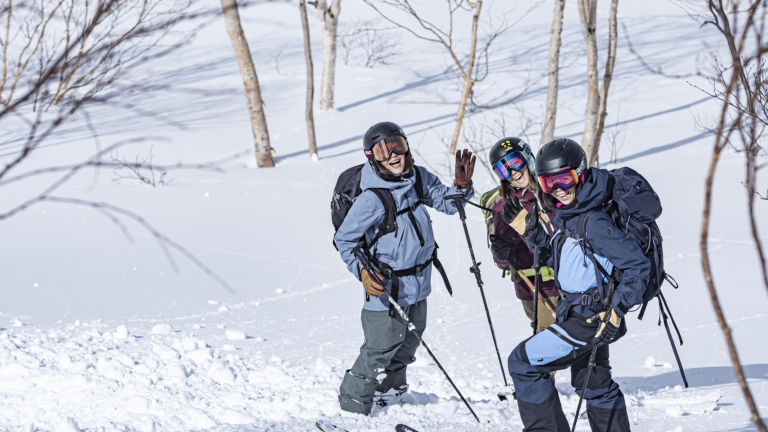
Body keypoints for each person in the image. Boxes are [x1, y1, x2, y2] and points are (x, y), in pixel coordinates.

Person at [506, 138, 651, 432]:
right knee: (594, 384)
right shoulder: (570, 214)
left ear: (581, 172)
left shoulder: (594, 220)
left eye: (564, 178)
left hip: (591, 318)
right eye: (549, 183)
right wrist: (530, 232)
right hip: (578, 313)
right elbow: (561, 258)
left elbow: (638, 266)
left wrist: (617, 310)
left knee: (523, 364)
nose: (558, 188)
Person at [334, 121, 476, 416]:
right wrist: (361, 272)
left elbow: (447, 204)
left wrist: (461, 189)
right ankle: (352, 406)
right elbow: (345, 240)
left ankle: (391, 392)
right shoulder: (372, 198)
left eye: (396, 145)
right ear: (371, 156)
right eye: (382, 150)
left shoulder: (417, 177)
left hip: (419, 282)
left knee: (409, 341)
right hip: (385, 286)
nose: (392, 155)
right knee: (379, 347)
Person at [484, 137, 559, 335]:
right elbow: (503, 261)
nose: (512, 173)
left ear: (528, 158)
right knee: (551, 348)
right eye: (503, 169)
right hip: (540, 289)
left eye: (515, 162)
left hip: (575, 282)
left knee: (587, 347)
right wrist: (500, 253)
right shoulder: (505, 206)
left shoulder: (553, 190)